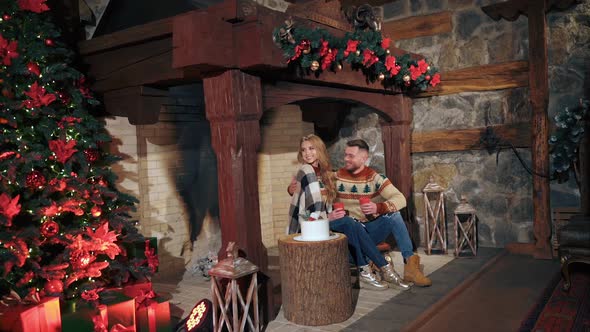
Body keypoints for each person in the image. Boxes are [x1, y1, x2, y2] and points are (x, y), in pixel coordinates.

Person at [288, 135, 408, 291]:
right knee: (350, 222)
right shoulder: (306, 171)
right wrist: (327, 216)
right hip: (312, 227)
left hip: (330, 224)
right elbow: (304, 210)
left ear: (320, 150)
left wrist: (376, 208)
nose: (307, 153)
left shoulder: (327, 174)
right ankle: (384, 270)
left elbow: (323, 200)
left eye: (311, 148)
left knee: (358, 222)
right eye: (303, 149)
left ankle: (375, 269)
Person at [328, 139, 432, 287]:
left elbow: (400, 199)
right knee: (352, 224)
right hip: (349, 232)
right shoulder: (336, 177)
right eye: (345, 155)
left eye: (350, 156)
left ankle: (410, 266)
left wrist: (378, 208)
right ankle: (379, 265)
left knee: (394, 216)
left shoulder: (374, 177)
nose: (346, 159)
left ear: (364, 158)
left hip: (369, 230)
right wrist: (294, 188)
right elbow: (315, 186)